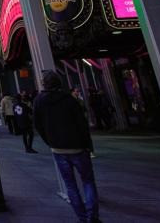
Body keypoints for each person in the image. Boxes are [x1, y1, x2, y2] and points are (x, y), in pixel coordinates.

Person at [35, 71, 98, 223]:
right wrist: (88, 145)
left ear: (44, 84)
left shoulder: (39, 101)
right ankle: (92, 217)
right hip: (78, 147)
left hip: (58, 149)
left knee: (71, 186)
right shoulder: (69, 99)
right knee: (88, 182)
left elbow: (38, 125)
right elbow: (82, 124)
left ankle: (82, 218)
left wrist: (50, 141)